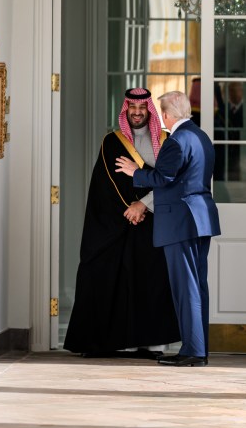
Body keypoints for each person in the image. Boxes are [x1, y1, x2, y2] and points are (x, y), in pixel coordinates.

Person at [62, 88, 180, 357]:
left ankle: (149, 344)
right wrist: (130, 210)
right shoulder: (112, 142)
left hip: (153, 222)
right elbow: (107, 185)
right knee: (102, 272)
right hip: (115, 223)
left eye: (142, 108)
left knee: (149, 281)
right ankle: (101, 342)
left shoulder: (167, 141)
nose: (137, 113)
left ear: (150, 111)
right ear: (125, 110)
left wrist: (143, 205)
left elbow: (173, 181)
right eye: (132, 108)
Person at [116, 90, 221, 367]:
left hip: (180, 222)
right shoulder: (201, 136)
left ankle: (192, 352)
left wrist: (133, 172)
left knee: (186, 288)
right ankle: (199, 349)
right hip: (200, 218)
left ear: (165, 115)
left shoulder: (176, 141)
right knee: (197, 286)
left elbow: (164, 177)